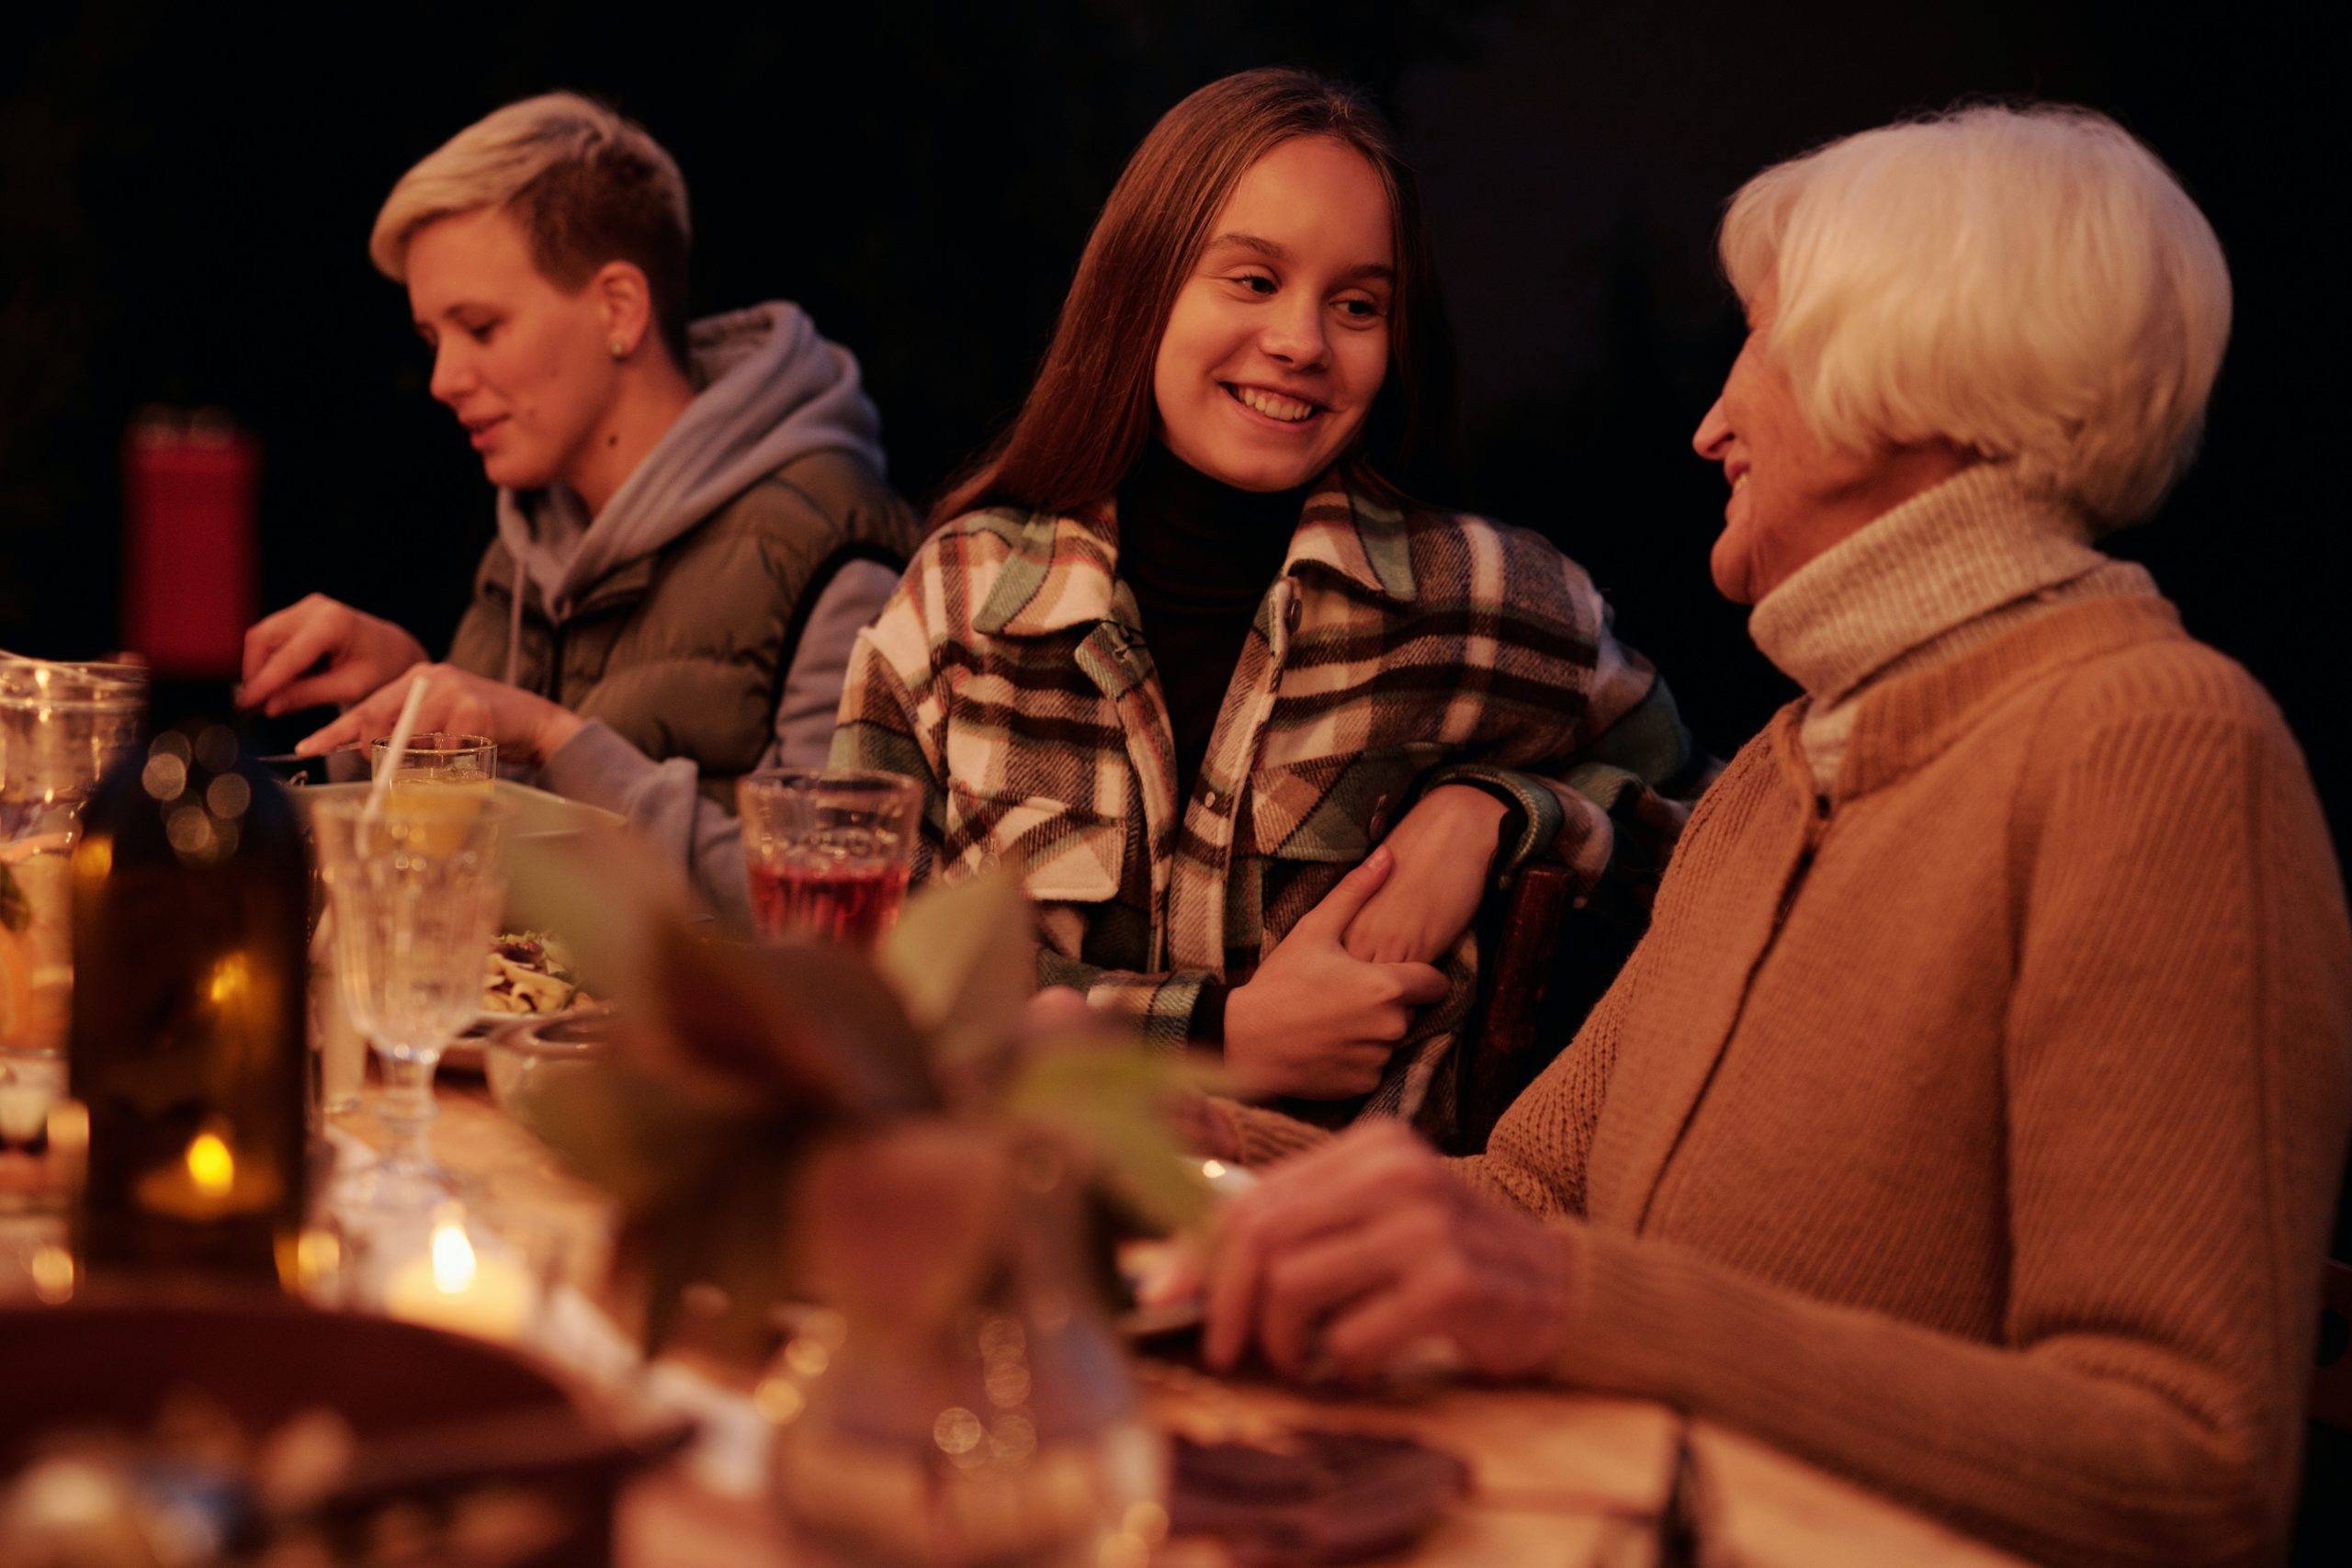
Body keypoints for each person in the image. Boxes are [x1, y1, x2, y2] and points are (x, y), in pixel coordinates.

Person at [1197, 103, 2352, 1565]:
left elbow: (2188, 1469)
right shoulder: (1781, 768)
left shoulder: (2158, 752)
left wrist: (1581, 1303)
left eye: (1761, 343)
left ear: (1910, 370)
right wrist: (1155, 1130)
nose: (1711, 419)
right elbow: (1534, 1196)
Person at [832, 69, 1705, 1143]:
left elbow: (1711, 838)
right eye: (1252, 281)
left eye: (1356, 305)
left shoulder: (1486, 602)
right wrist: (1214, 1038)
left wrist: (1497, 812)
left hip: (1333, 1268)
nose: (1302, 341)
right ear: (1144, 287)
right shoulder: (959, 602)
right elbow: (854, 967)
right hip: (998, 1234)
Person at [242, 93, 920, 918]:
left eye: (480, 328)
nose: (443, 379)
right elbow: (494, 866)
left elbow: (816, 924)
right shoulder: (528, 539)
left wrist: (557, 738)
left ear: (618, 309)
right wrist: (411, 692)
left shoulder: (834, 550)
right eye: (432, 340)